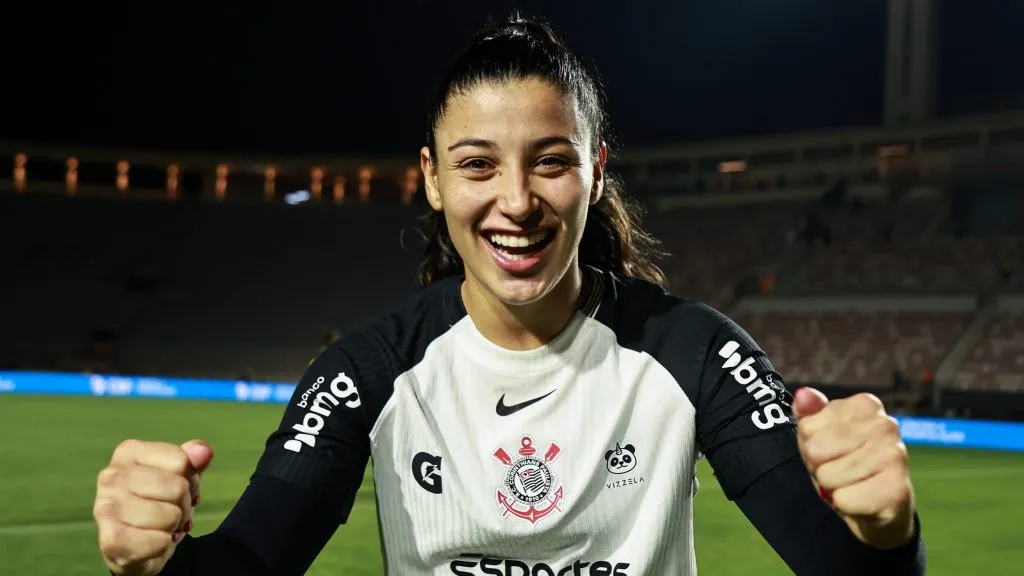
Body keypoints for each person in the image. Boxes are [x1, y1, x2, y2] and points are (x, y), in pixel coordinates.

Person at [92, 14, 926, 576]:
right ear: (431, 179)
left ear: (597, 175)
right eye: (478, 163)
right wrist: (156, 559)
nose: (517, 201)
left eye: (552, 161)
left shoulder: (694, 352)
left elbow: (847, 567)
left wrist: (889, 535)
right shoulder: (367, 371)